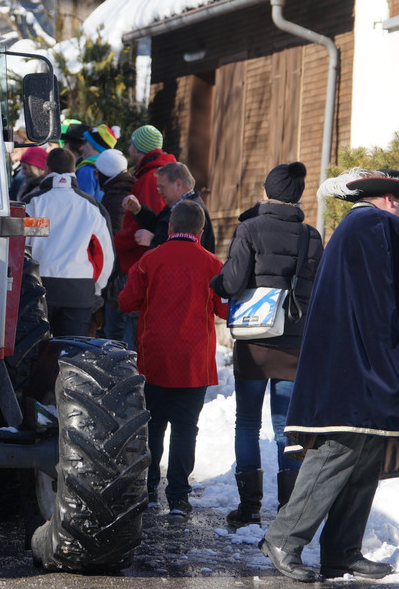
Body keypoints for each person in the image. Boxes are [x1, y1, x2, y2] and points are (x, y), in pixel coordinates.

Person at [259, 168, 399, 583]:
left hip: (366, 366)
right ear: (388, 198)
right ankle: (283, 539)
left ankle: (342, 552)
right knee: (336, 453)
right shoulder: (371, 221)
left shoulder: (368, 228)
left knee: (366, 456)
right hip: (352, 370)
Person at [209, 162, 323, 529]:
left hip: (254, 340)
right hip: (294, 344)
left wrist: (216, 282)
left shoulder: (249, 228)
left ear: (267, 191)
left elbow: (231, 282)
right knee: (286, 427)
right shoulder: (311, 236)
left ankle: (249, 509)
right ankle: (288, 511)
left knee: (247, 423)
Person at [118, 201, 227, 516]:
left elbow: (126, 303)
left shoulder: (149, 260)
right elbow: (224, 309)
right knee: (185, 428)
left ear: (169, 228)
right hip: (194, 362)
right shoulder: (213, 264)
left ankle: (149, 490)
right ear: (200, 232)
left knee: (152, 426)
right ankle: (178, 497)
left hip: (155, 359)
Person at [25, 147, 114, 337]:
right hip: (79, 290)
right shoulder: (92, 206)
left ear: (47, 169)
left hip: (38, 288)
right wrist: (96, 289)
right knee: (72, 350)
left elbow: (21, 246)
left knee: (36, 350)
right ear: (74, 171)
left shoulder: (33, 203)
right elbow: (105, 255)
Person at [111, 125, 176, 349]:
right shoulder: (153, 173)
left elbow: (148, 225)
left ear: (139, 148)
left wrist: (115, 242)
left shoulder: (150, 178)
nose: (129, 149)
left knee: (130, 333)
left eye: (132, 144)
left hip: (138, 262)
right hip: (139, 260)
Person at [121, 161, 215, 253]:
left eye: (162, 187)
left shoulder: (194, 210)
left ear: (178, 184)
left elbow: (187, 248)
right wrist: (138, 209)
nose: (159, 191)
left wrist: (153, 240)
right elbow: (157, 225)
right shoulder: (176, 205)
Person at [94, 148, 134, 340]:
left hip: (119, 272)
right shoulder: (119, 190)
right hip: (122, 269)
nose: (96, 175)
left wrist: (109, 274)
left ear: (106, 173)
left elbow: (115, 236)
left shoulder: (116, 197)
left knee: (114, 331)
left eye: (98, 171)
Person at [58, 119, 102, 201]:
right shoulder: (90, 166)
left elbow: (82, 202)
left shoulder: (86, 170)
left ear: (76, 146)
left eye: (65, 143)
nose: (63, 147)